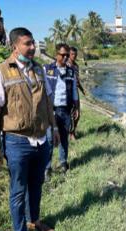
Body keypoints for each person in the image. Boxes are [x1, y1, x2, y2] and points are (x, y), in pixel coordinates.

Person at [0, 27, 58, 231]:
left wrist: (53, 128)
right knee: (18, 190)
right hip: (17, 141)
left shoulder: (39, 70)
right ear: (14, 47)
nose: (33, 47)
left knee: (36, 183)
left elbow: (48, 101)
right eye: (27, 44)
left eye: (33, 42)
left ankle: (34, 221)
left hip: (41, 139)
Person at [44, 43, 79, 177]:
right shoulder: (47, 70)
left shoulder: (71, 72)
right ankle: (47, 168)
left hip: (65, 110)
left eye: (67, 55)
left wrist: (76, 107)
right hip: (50, 111)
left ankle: (63, 163)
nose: (65, 57)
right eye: (62, 55)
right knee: (49, 139)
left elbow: (74, 91)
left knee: (64, 138)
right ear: (56, 54)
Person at [67, 46, 85, 140]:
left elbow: (77, 80)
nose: (74, 56)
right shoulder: (65, 65)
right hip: (66, 92)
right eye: (72, 54)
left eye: (75, 54)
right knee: (67, 114)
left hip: (75, 91)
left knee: (77, 114)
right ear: (69, 54)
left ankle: (72, 133)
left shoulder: (76, 66)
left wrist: (82, 89)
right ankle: (67, 132)